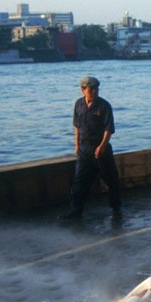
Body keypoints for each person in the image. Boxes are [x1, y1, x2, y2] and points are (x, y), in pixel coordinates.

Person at [61, 76, 122, 221]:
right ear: (83, 90)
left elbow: (109, 129)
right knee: (79, 181)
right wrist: (77, 146)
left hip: (101, 149)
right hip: (84, 149)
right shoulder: (79, 104)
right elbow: (77, 126)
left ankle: (116, 208)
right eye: (91, 89)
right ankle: (76, 211)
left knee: (111, 180)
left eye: (96, 89)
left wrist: (102, 146)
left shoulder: (104, 106)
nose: (94, 92)